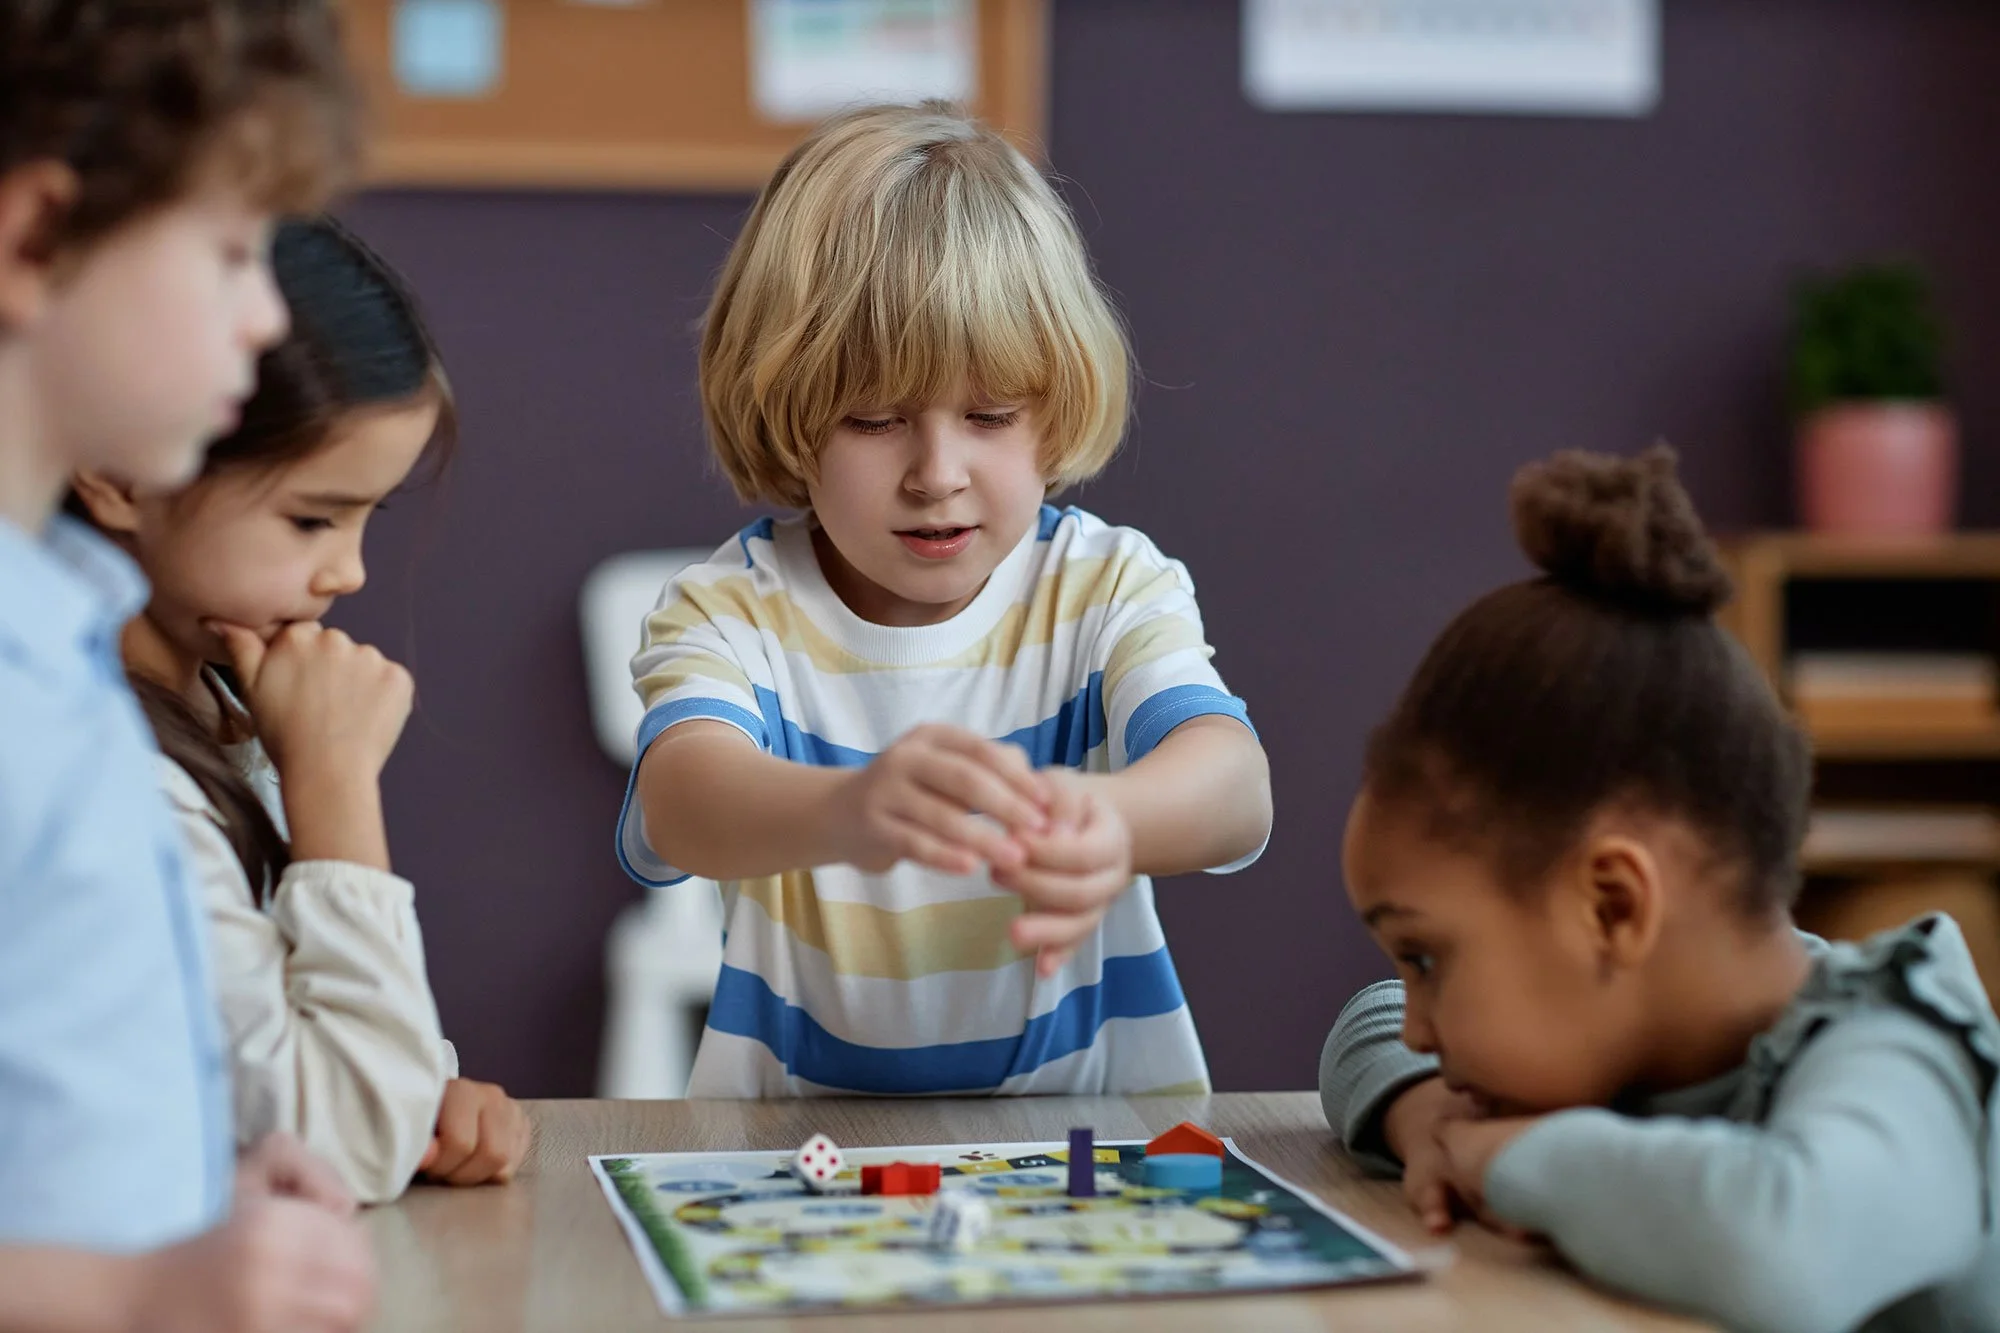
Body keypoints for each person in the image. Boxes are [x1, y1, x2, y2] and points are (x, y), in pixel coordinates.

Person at [620, 102, 1274, 1097]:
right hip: (792, 1160)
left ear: (1054, 411)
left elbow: (1234, 791)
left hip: (1081, 1149)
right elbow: (679, 807)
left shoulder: (1103, 588)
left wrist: (1114, 820)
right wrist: (848, 806)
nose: (937, 472)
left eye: (989, 415)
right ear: (788, 419)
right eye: (875, 418)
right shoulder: (729, 612)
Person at [1320, 445, 2000, 1333]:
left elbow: (1786, 1250)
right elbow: (1362, 1027)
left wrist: (1510, 1158)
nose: (1415, 1021)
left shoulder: (1896, 1047)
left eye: (1427, 956)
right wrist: (1426, 1121)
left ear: (1613, 905)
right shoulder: (1631, 1040)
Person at [0, 3, 377, 1329]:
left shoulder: (62, 640)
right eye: (229, 253)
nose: (264, 314)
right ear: (37, 239)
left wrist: (189, 1182)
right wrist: (127, 1287)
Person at [69, 216, 531, 1203]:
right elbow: (339, 1146)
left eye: (370, 516)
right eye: (312, 517)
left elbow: (323, 1074)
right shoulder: (107, 775)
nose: (350, 570)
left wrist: (425, 1089)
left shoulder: (226, 704)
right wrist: (333, 788)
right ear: (115, 471)